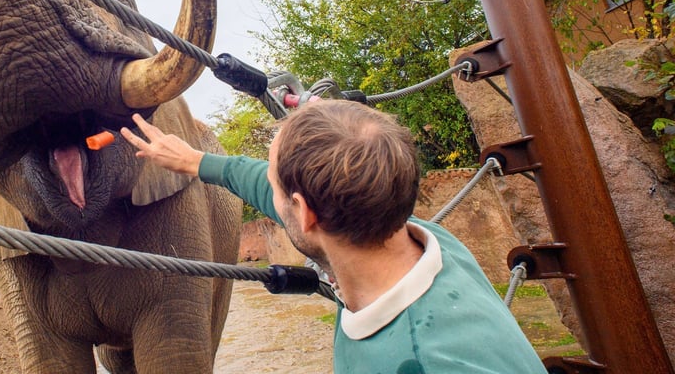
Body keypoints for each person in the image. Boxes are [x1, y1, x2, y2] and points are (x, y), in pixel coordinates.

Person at [120, 99, 548, 373]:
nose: (266, 190)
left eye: (273, 186)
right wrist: (197, 162)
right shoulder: (431, 240)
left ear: (304, 213)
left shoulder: (427, 360)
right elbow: (261, 181)